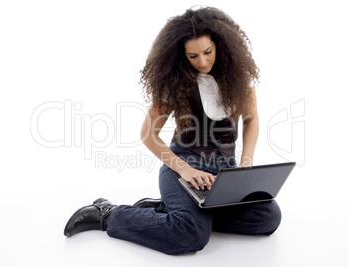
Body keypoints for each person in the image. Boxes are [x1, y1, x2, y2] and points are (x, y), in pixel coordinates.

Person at [64, 6, 282, 255]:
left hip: (225, 171)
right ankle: (108, 214)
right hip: (183, 165)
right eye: (193, 56)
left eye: (207, 52)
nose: (202, 61)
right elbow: (148, 134)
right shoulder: (176, 84)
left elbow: (251, 119)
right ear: (181, 55)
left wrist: (246, 162)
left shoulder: (238, 78)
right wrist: (184, 169)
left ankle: (173, 210)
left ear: (220, 44)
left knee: (267, 217)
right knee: (191, 235)